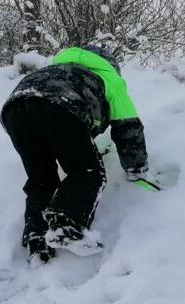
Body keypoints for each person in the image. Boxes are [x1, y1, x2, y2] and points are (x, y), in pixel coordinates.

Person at [2, 44, 150, 260]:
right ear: (111, 65)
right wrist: (136, 168)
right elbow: (128, 128)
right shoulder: (110, 79)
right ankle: (66, 224)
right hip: (61, 106)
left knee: (41, 178)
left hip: (15, 109)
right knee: (88, 171)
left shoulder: (56, 70)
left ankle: (37, 238)